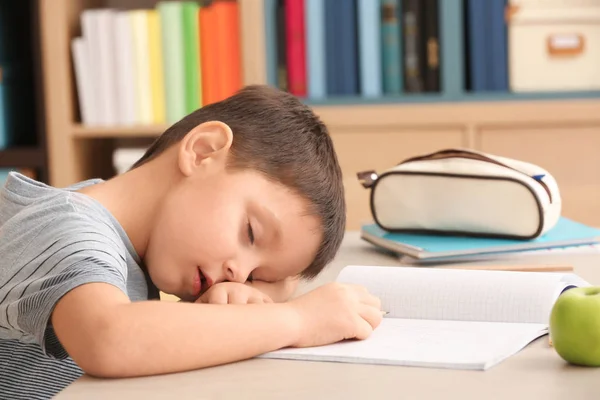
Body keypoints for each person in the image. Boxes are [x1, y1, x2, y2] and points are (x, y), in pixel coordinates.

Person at [0, 85, 382, 399]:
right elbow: (109, 338)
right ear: (203, 152)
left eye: (255, 276)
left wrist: (239, 301)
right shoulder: (65, 226)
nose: (238, 272)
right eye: (250, 233)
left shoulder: (125, 239)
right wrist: (298, 320)